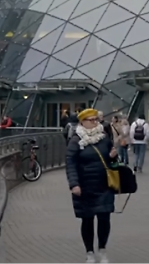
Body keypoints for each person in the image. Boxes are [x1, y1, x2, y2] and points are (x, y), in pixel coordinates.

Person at [66, 108, 119, 263]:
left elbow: (113, 163)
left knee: (104, 218)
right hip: (85, 187)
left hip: (104, 185)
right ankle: (89, 252)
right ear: (82, 122)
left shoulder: (104, 138)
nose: (95, 122)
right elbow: (71, 164)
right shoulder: (76, 141)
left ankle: (102, 249)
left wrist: (112, 157)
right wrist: (74, 184)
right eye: (91, 120)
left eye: (96, 119)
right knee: (87, 220)